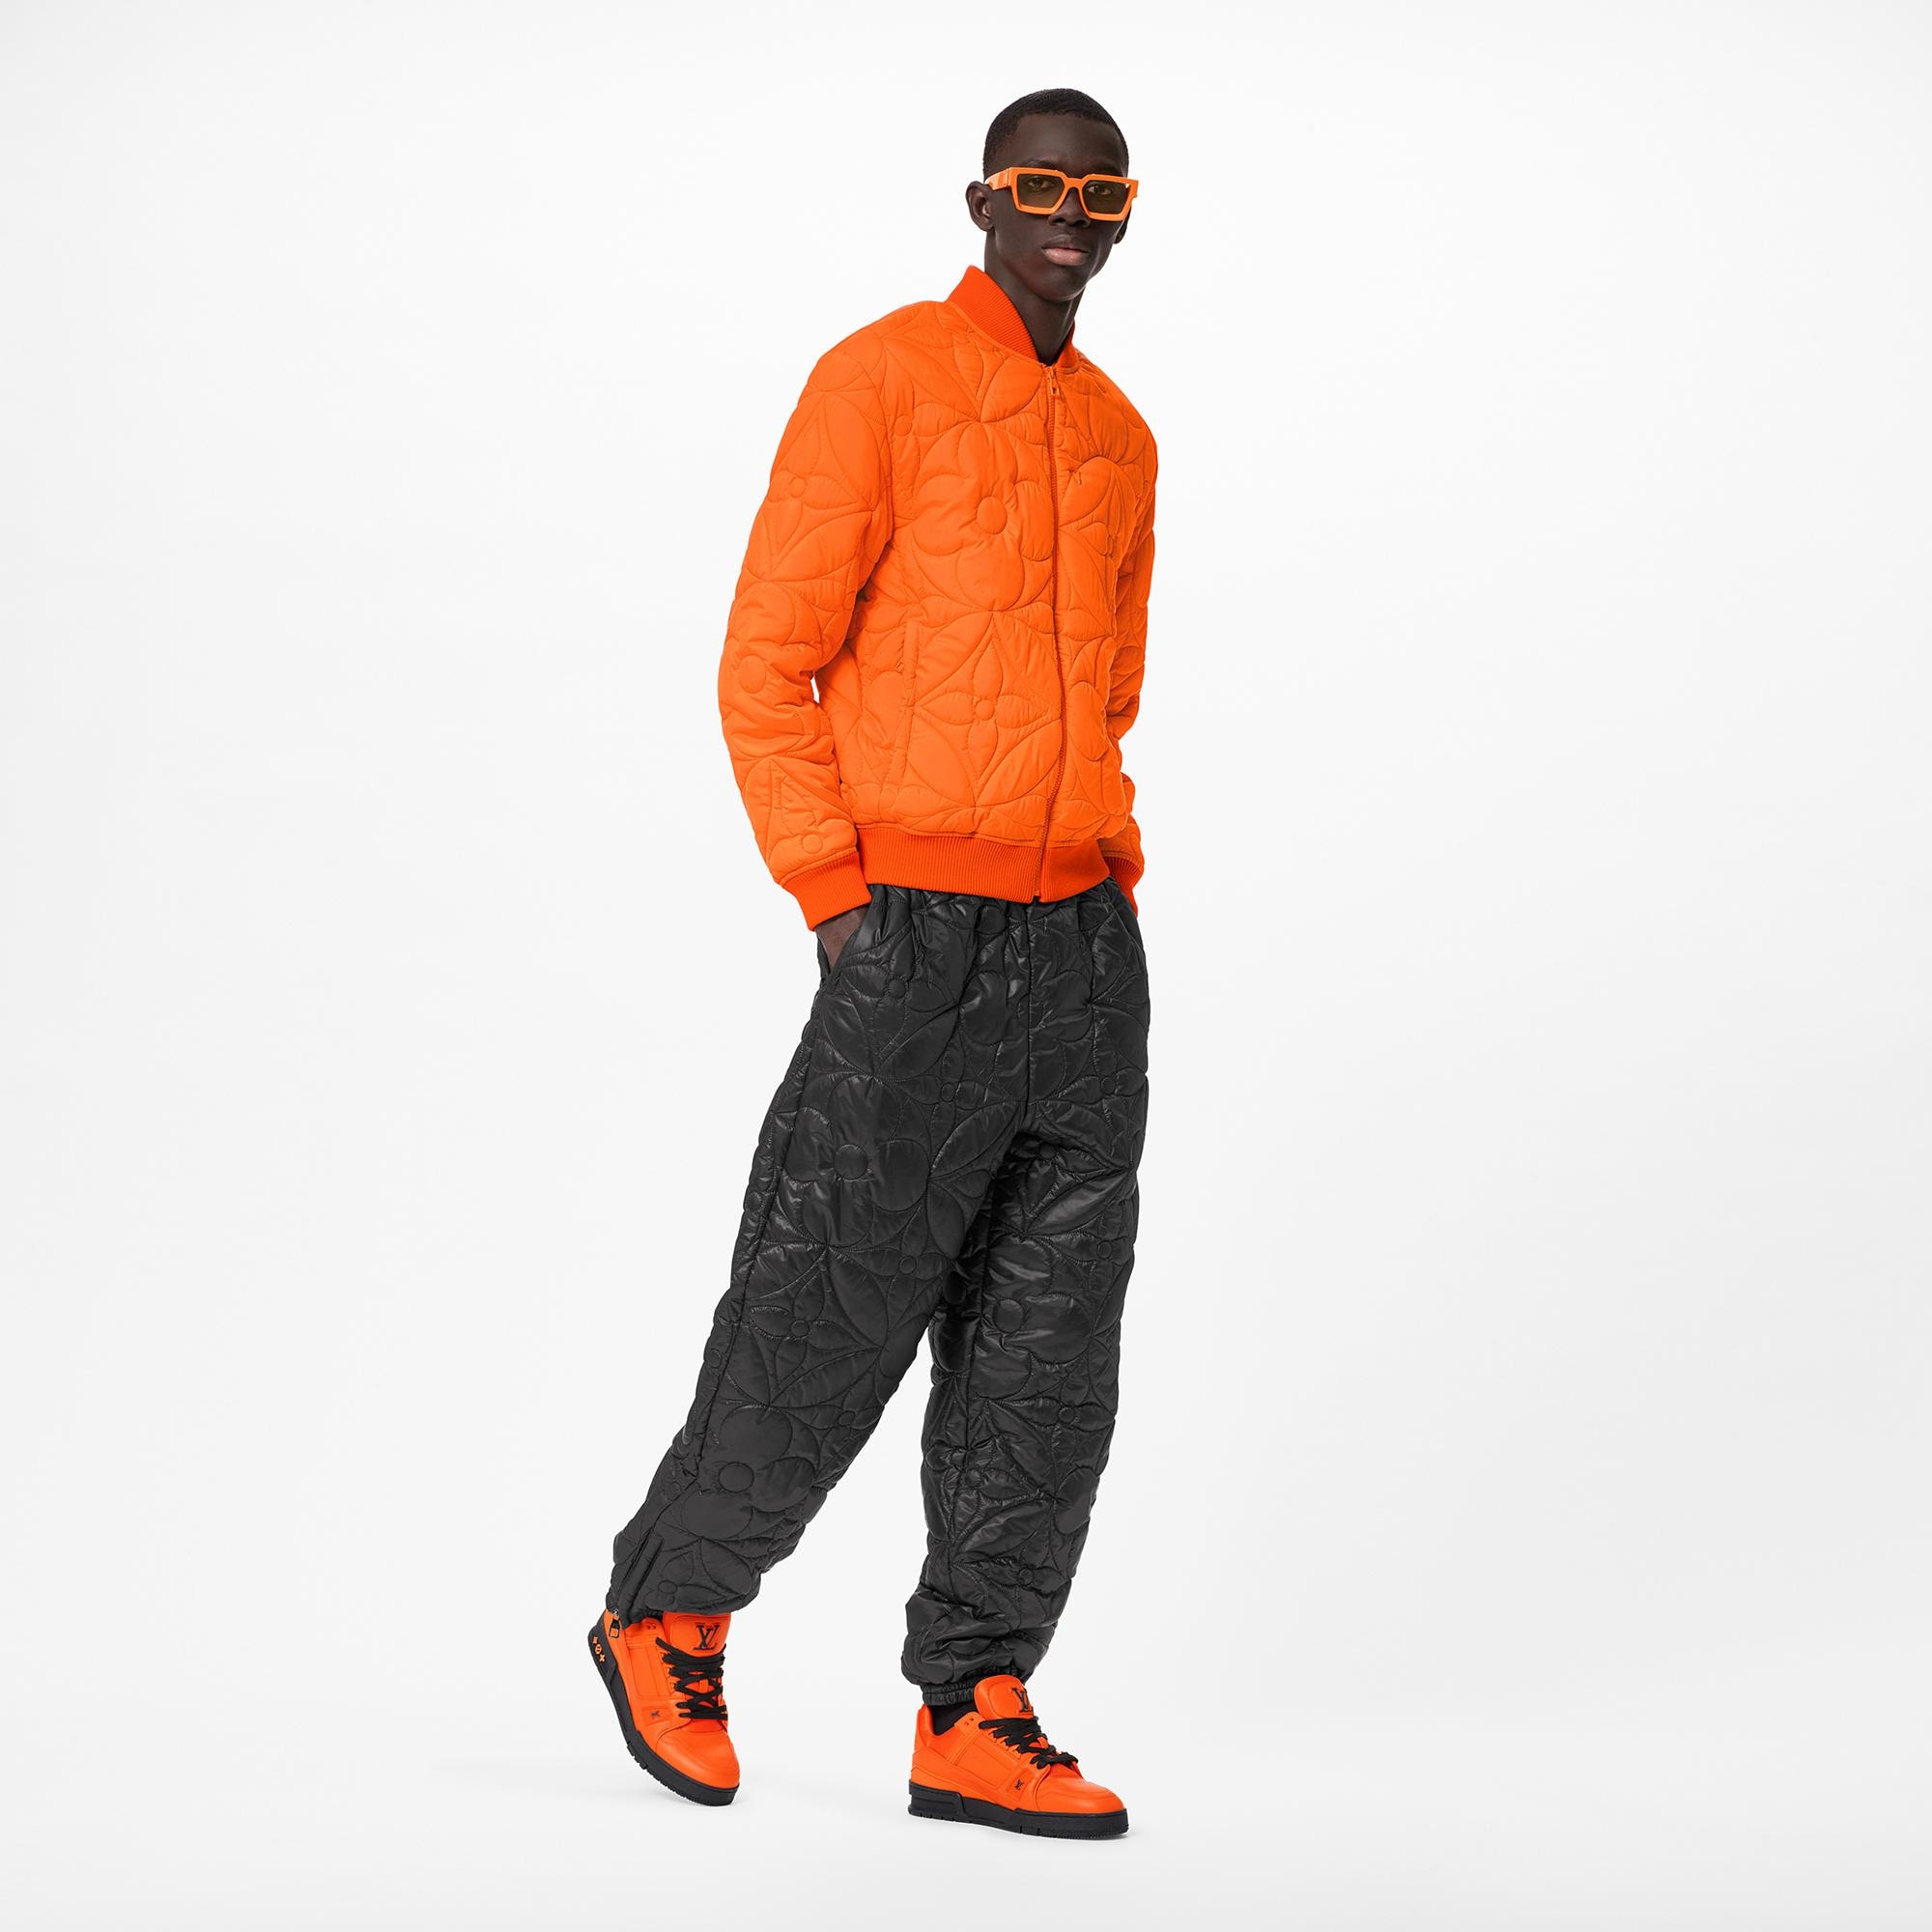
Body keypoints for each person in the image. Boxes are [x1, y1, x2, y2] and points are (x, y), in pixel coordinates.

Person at [587, 85, 1156, 1841]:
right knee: (826, 1302)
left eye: (1102, 194)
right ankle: (669, 1611)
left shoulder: (1123, 436)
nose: (1069, 216)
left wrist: (1110, 873)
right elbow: (767, 661)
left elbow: (1111, 692)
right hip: (915, 933)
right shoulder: (882, 379)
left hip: (1085, 952)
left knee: (1047, 1356)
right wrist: (841, 898)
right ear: (981, 201)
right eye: (1040, 185)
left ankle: (977, 1703)